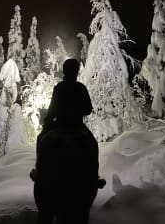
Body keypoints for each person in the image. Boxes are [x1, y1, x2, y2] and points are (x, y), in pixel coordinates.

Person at [31, 58, 105, 224]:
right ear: (76, 71)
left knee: (42, 139)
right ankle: (93, 177)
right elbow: (88, 109)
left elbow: (52, 110)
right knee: (91, 144)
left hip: (61, 124)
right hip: (77, 125)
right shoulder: (80, 88)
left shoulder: (59, 87)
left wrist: (47, 125)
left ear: (65, 71)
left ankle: (40, 172)